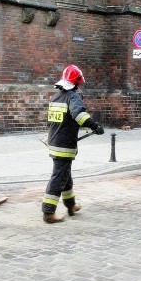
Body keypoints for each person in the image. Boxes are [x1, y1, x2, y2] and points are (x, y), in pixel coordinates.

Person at [42, 64, 103, 223]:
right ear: (76, 83)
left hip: (54, 142)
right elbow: (79, 115)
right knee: (59, 177)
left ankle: (71, 205)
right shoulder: (73, 97)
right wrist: (94, 126)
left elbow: (63, 120)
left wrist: (83, 125)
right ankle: (48, 212)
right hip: (64, 146)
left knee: (66, 177)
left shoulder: (56, 97)